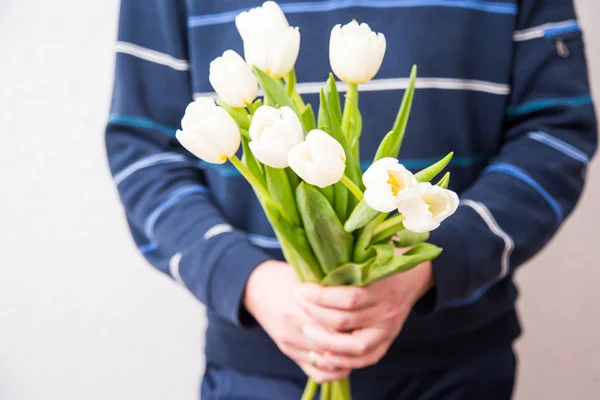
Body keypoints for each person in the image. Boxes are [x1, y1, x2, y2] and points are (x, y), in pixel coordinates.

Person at [105, 1, 597, 399]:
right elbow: (146, 148)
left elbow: (555, 130)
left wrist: (433, 266)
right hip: (257, 366)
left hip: (457, 366)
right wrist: (246, 279)